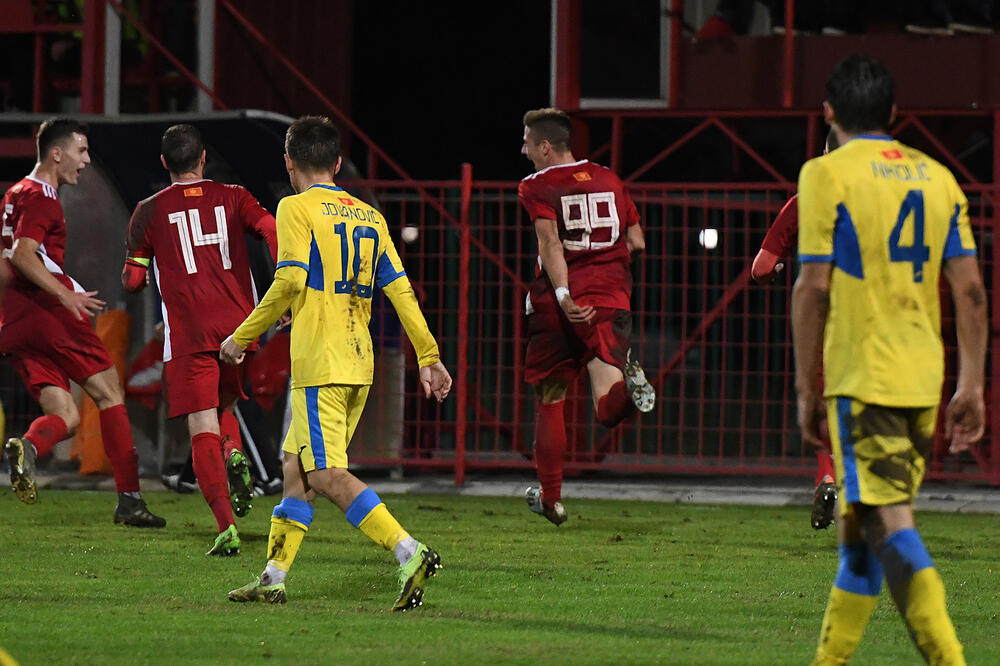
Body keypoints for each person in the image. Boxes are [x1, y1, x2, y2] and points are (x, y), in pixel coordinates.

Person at [793, 54, 985, 664]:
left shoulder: (826, 173)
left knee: (889, 526)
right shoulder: (938, 177)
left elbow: (813, 288)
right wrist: (973, 384)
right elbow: (972, 291)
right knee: (860, 537)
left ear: (829, 113)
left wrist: (804, 388)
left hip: (864, 378)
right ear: (894, 114)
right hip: (923, 380)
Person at [220, 116, 452, 610]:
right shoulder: (370, 216)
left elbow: (288, 280)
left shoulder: (295, 207)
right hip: (358, 360)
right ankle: (273, 576)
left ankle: (409, 551)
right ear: (338, 163)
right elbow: (401, 291)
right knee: (295, 469)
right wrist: (428, 355)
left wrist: (242, 336)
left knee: (325, 475)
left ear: (288, 161)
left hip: (321, 362)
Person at [121, 123, 279, 555]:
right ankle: (232, 456)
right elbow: (270, 228)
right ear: (203, 157)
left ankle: (225, 526)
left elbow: (134, 280)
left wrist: (138, 266)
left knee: (201, 424)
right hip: (237, 328)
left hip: (189, 332)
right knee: (224, 406)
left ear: (164, 163)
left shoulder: (148, 211)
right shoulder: (234, 196)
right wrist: (283, 275)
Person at [1, 117, 164, 527]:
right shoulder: (43, 198)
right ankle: (129, 500)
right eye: (81, 151)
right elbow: (22, 253)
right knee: (110, 393)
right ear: (57, 153)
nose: (86, 161)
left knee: (67, 417)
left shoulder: (13, 194)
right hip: (48, 313)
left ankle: (29, 446)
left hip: (14, 319)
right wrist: (63, 294)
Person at [518, 108, 656, 526]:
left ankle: (553, 499)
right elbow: (637, 241)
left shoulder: (536, 185)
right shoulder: (610, 178)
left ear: (545, 146)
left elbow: (550, 245)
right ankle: (630, 394)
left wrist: (564, 295)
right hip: (613, 299)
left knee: (551, 398)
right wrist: (606, 267)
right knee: (606, 407)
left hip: (563, 306)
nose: (523, 150)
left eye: (527, 142)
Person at [751, 128, 840, 531]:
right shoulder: (886, 200)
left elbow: (761, 268)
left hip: (819, 315)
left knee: (822, 401)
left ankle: (826, 477)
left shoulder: (803, 202)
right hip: (874, 318)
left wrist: (779, 272)